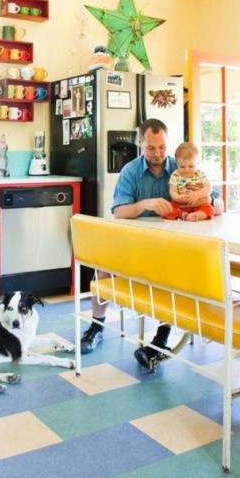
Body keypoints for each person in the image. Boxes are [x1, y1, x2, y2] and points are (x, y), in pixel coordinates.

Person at [80, 118, 176, 369]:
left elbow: (216, 201)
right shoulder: (131, 171)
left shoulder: (181, 168)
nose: (158, 154)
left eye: (163, 147)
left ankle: (161, 340)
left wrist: (204, 198)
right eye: (151, 148)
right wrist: (145, 204)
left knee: (177, 275)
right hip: (135, 244)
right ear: (140, 144)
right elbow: (119, 212)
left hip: (171, 245)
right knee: (103, 266)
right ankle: (97, 326)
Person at [164, 142, 214, 221]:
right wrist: (178, 197)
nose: (186, 170)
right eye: (182, 166)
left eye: (191, 166)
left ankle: (196, 215)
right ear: (177, 164)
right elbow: (172, 190)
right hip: (180, 205)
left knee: (210, 209)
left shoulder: (200, 174)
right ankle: (182, 215)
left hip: (198, 204)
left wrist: (197, 195)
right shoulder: (175, 175)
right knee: (166, 209)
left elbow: (208, 188)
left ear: (197, 163)